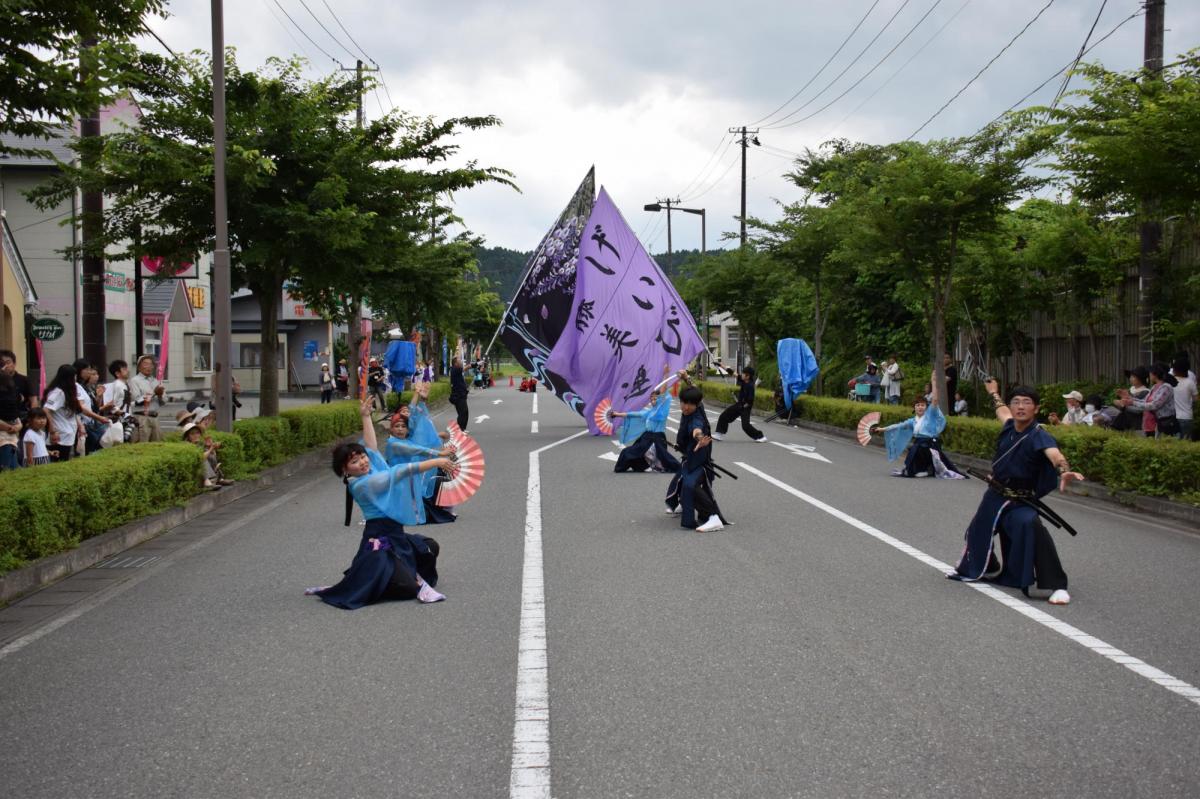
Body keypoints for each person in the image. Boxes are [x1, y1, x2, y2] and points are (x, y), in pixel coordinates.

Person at [309, 397, 452, 609]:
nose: (363, 462)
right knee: (407, 589)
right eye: (354, 462)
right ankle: (386, 578)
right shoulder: (362, 485)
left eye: (362, 458)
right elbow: (400, 472)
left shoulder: (370, 467)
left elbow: (371, 447)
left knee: (429, 547)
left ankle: (401, 573)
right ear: (345, 471)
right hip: (379, 543)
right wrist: (437, 460)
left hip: (395, 535)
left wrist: (366, 416)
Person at [950, 381, 1084, 605]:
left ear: (1036, 409)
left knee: (1031, 527)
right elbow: (1000, 410)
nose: (1020, 406)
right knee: (976, 532)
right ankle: (988, 565)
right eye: (1016, 402)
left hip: (1020, 498)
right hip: (995, 494)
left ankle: (1056, 584)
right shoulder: (1010, 425)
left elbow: (1055, 456)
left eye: (1027, 402)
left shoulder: (1039, 435)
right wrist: (993, 392)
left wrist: (1064, 471)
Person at [383, 381, 457, 524]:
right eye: (396, 426)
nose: (400, 429)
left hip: (412, 481)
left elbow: (418, 419)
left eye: (403, 426)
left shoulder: (409, 438)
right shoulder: (393, 443)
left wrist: (422, 400)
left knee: (441, 481)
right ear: (391, 429)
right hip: (400, 484)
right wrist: (439, 455)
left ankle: (442, 506)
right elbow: (417, 449)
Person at [664, 382, 728, 533]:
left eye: (690, 404)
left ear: (697, 405)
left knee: (689, 485)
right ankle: (685, 504)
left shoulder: (696, 417)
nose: (686, 407)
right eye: (683, 402)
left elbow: (696, 429)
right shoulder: (692, 410)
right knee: (679, 481)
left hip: (698, 461)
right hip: (689, 459)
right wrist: (687, 379)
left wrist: (699, 438)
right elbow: (693, 395)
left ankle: (713, 518)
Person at [878, 372, 966, 479]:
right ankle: (923, 468)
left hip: (930, 445)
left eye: (922, 405)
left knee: (917, 448)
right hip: (919, 444)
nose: (920, 407)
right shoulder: (912, 421)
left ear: (926, 407)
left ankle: (925, 469)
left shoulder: (930, 415)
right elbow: (898, 426)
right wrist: (882, 429)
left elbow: (935, 400)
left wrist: (933, 381)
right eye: (918, 405)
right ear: (914, 408)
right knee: (913, 452)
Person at [612, 368, 682, 473]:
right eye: (651, 398)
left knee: (664, 457)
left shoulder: (661, 410)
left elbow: (663, 392)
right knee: (629, 452)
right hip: (647, 437)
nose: (653, 400)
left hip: (658, 438)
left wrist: (666, 374)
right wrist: (616, 414)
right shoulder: (649, 412)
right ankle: (631, 466)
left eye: (655, 398)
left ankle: (680, 468)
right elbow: (633, 414)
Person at [1116, 363, 1179, 438]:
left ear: (1155, 374)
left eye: (1150, 372)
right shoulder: (1155, 386)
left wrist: (1132, 402)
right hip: (1156, 423)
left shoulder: (1166, 387)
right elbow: (1145, 402)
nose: (1149, 374)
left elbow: (1154, 405)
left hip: (1165, 423)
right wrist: (1129, 398)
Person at [0, 349, 35, 470]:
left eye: (7, 362)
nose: (5, 367)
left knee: (14, 463)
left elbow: (31, 401)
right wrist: (9, 427)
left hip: (15, 426)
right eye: (2, 364)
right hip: (4, 436)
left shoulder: (21, 381)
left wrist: (18, 425)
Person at [713, 365, 766, 443]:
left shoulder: (750, 386)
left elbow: (750, 401)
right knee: (724, 416)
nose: (742, 375)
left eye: (744, 374)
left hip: (745, 407)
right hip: (739, 405)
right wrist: (720, 365)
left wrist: (743, 407)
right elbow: (732, 372)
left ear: (748, 376)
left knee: (745, 426)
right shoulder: (743, 380)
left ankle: (760, 436)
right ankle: (719, 434)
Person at [43, 364, 82, 461]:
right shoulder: (58, 392)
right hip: (59, 435)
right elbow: (46, 409)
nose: (76, 378)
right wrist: (52, 431)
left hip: (67, 434)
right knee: (58, 462)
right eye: (74, 376)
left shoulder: (66, 392)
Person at [129, 355, 165, 442]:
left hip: (155, 416)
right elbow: (136, 400)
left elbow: (163, 402)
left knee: (157, 445)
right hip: (142, 417)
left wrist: (160, 395)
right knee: (142, 445)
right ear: (139, 366)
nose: (149, 366)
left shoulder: (156, 381)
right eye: (145, 364)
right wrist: (154, 393)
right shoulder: (134, 380)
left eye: (151, 364)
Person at [1171, 359, 1196, 440]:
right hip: (1187, 417)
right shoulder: (1190, 382)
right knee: (1186, 444)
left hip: (1173, 417)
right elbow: (1196, 399)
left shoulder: (1170, 382)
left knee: (1174, 445)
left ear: (1175, 370)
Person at [449, 356, 469, 431]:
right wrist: (474, 364)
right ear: (456, 363)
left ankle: (462, 428)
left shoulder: (456, 370)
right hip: (458, 396)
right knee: (462, 412)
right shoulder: (455, 369)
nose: (461, 361)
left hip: (461, 395)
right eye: (459, 361)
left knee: (465, 412)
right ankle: (459, 429)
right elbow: (465, 368)